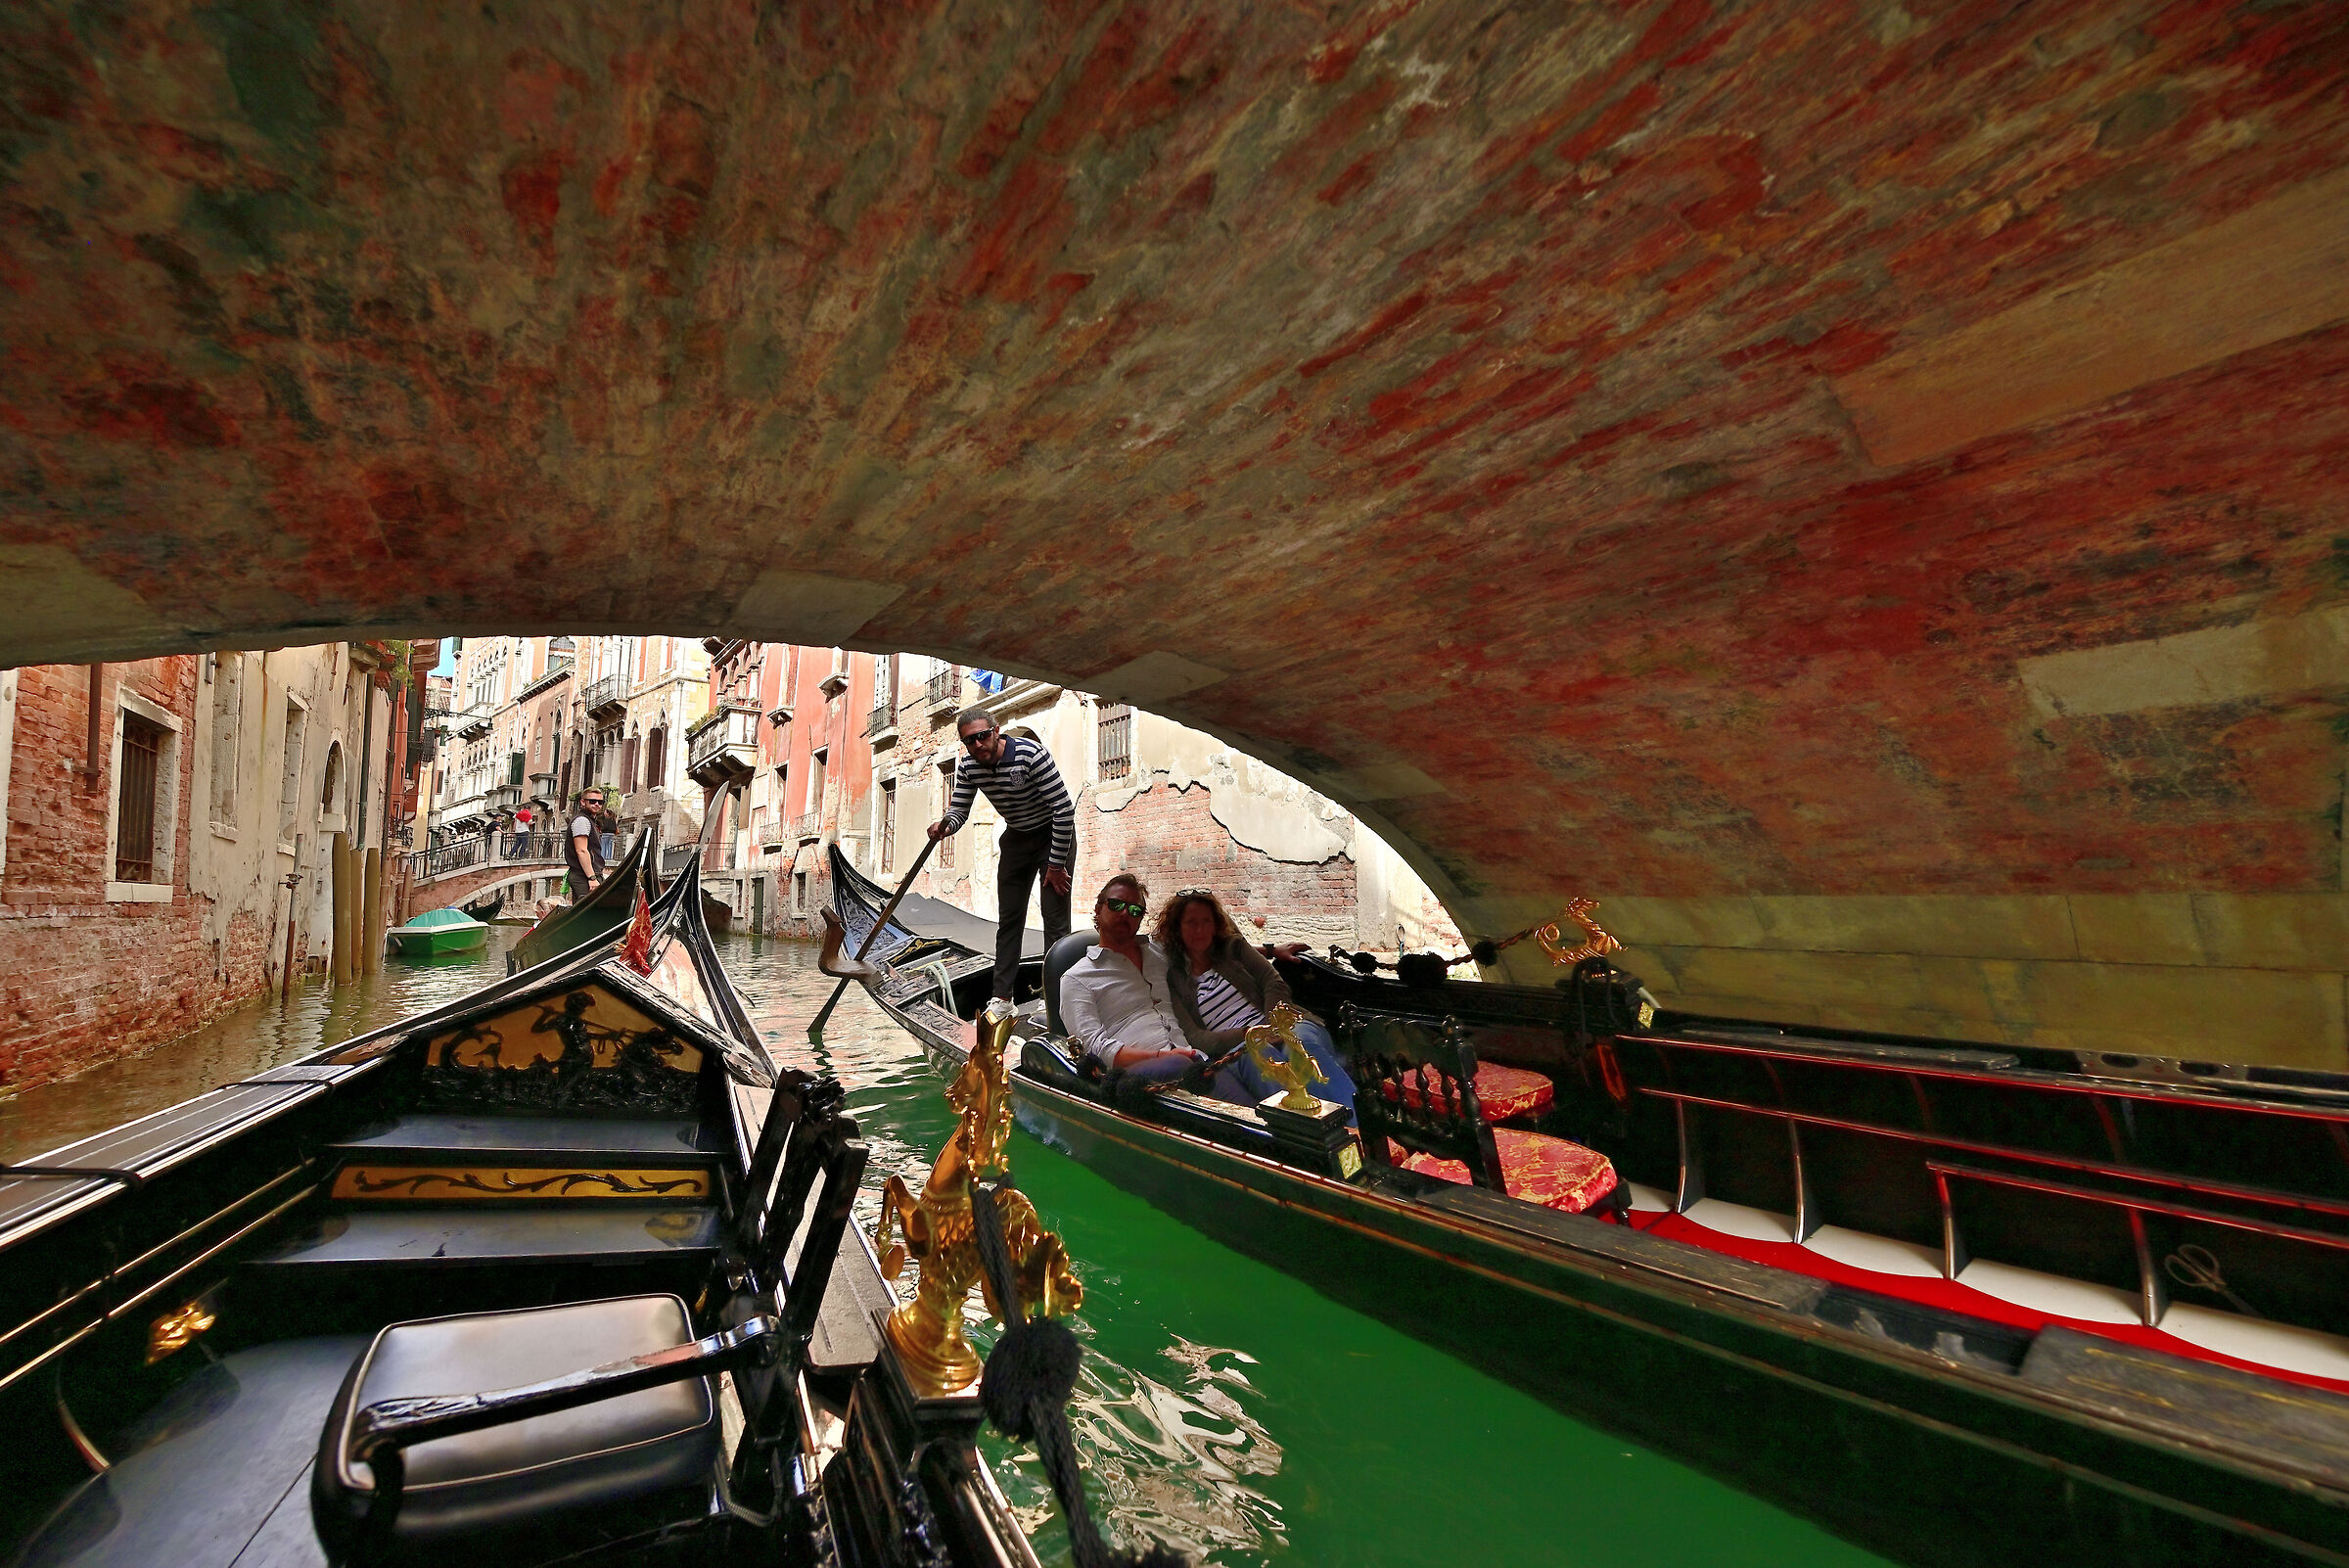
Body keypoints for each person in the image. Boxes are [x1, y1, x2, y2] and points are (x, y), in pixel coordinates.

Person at [1157, 887, 1357, 1117]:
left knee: (1301, 1047)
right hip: (1239, 1046)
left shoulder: (1234, 948)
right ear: (1177, 928)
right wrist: (1251, 1034)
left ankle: (1361, 1127)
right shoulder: (1173, 980)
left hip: (1286, 1022)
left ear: (1215, 925)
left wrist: (1274, 1025)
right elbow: (1196, 1036)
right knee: (1262, 1058)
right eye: (1191, 922)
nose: (1200, 929)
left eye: (1206, 921)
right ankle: (1313, 1136)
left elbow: (1273, 982)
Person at [928, 707, 1076, 999]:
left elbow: (1063, 810)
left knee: (1055, 921)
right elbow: (959, 810)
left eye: (982, 736)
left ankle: (1058, 998)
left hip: (1053, 836)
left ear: (996, 731)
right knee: (1009, 920)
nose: (977, 744)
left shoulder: (1031, 755)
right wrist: (945, 825)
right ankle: (1002, 998)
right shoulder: (969, 766)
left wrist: (1056, 866)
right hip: (1017, 840)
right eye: (970, 740)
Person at [1057, 873, 1205, 1084]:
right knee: (1181, 1066)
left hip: (1192, 1059)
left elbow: (1204, 951)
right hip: (1136, 1078)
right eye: (1116, 905)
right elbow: (1093, 1047)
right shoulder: (1076, 979)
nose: (1125, 913)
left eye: (1135, 910)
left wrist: (1266, 951)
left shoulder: (1158, 953)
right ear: (1098, 909)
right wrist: (1162, 1057)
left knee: (1254, 1054)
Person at [564, 789, 607, 899]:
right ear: (583, 802)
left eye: (600, 802)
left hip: (587, 875)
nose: (597, 804)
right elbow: (581, 850)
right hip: (583, 876)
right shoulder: (582, 821)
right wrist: (591, 878)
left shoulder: (590, 821)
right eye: (592, 801)